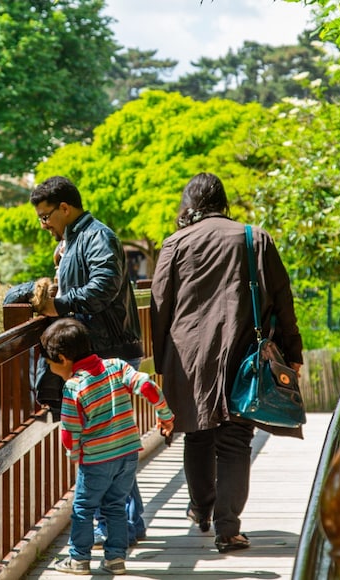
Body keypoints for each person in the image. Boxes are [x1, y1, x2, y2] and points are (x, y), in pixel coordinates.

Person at [150, 172, 304, 554]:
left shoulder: (175, 243)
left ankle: (201, 510)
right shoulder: (255, 238)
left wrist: (161, 363)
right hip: (242, 349)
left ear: (189, 204)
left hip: (189, 356)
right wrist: (293, 353)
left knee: (197, 432)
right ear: (223, 202)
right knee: (235, 439)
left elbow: (159, 306)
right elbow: (282, 299)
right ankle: (228, 529)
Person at [30, 175, 148, 545]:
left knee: (104, 449)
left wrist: (58, 304)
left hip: (109, 350)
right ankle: (127, 523)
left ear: (65, 208)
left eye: (46, 216)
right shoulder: (74, 240)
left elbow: (103, 287)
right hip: (101, 349)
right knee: (111, 446)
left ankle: (117, 526)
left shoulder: (97, 236)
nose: (43, 224)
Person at [41, 318, 174, 575]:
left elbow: (69, 430)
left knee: (83, 508)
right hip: (128, 454)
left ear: (63, 358)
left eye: (49, 363)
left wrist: (74, 453)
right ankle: (115, 559)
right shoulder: (116, 366)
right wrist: (165, 415)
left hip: (96, 459)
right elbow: (148, 385)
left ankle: (78, 558)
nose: (50, 368)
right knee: (115, 506)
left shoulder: (73, 386)